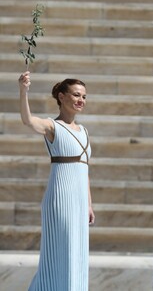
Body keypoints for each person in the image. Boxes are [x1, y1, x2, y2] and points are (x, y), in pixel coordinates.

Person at [18, 71, 94, 291]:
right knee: (60, 254)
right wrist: (24, 90)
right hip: (61, 199)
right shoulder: (52, 127)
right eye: (76, 95)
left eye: (84, 97)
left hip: (79, 202)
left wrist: (88, 203)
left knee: (77, 253)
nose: (81, 100)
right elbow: (28, 120)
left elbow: (84, 169)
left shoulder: (84, 131)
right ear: (61, 97)